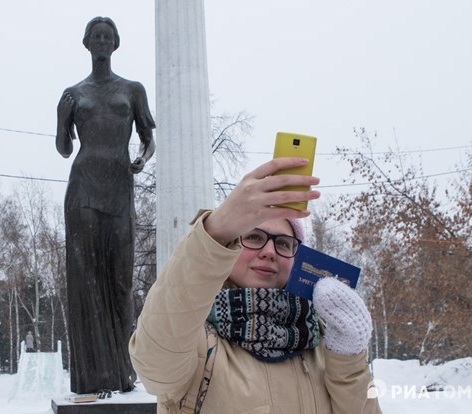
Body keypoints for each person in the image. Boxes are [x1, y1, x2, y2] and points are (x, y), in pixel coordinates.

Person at [130, 158, 382, 413]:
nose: (269, 251)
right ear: (229, 245)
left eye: (283, 243)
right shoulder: (193, 336)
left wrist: (348, 359)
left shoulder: (324, 341)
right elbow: (154, 365)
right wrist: (215, 230)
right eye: (254, 237)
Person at [56, 16, 155, 395]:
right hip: (82, 190)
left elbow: (148, 139)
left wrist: (143, 160)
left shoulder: (132, 90)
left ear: (115, 43)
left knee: (119, 279)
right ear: (87, 44)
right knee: (85, 280)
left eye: (107, 36)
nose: (101, 41)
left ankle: (122, 372)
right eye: (95, 36)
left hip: (118, 188)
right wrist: (62, 120)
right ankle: (90, 377)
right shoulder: (73, 94)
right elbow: (65, 149)